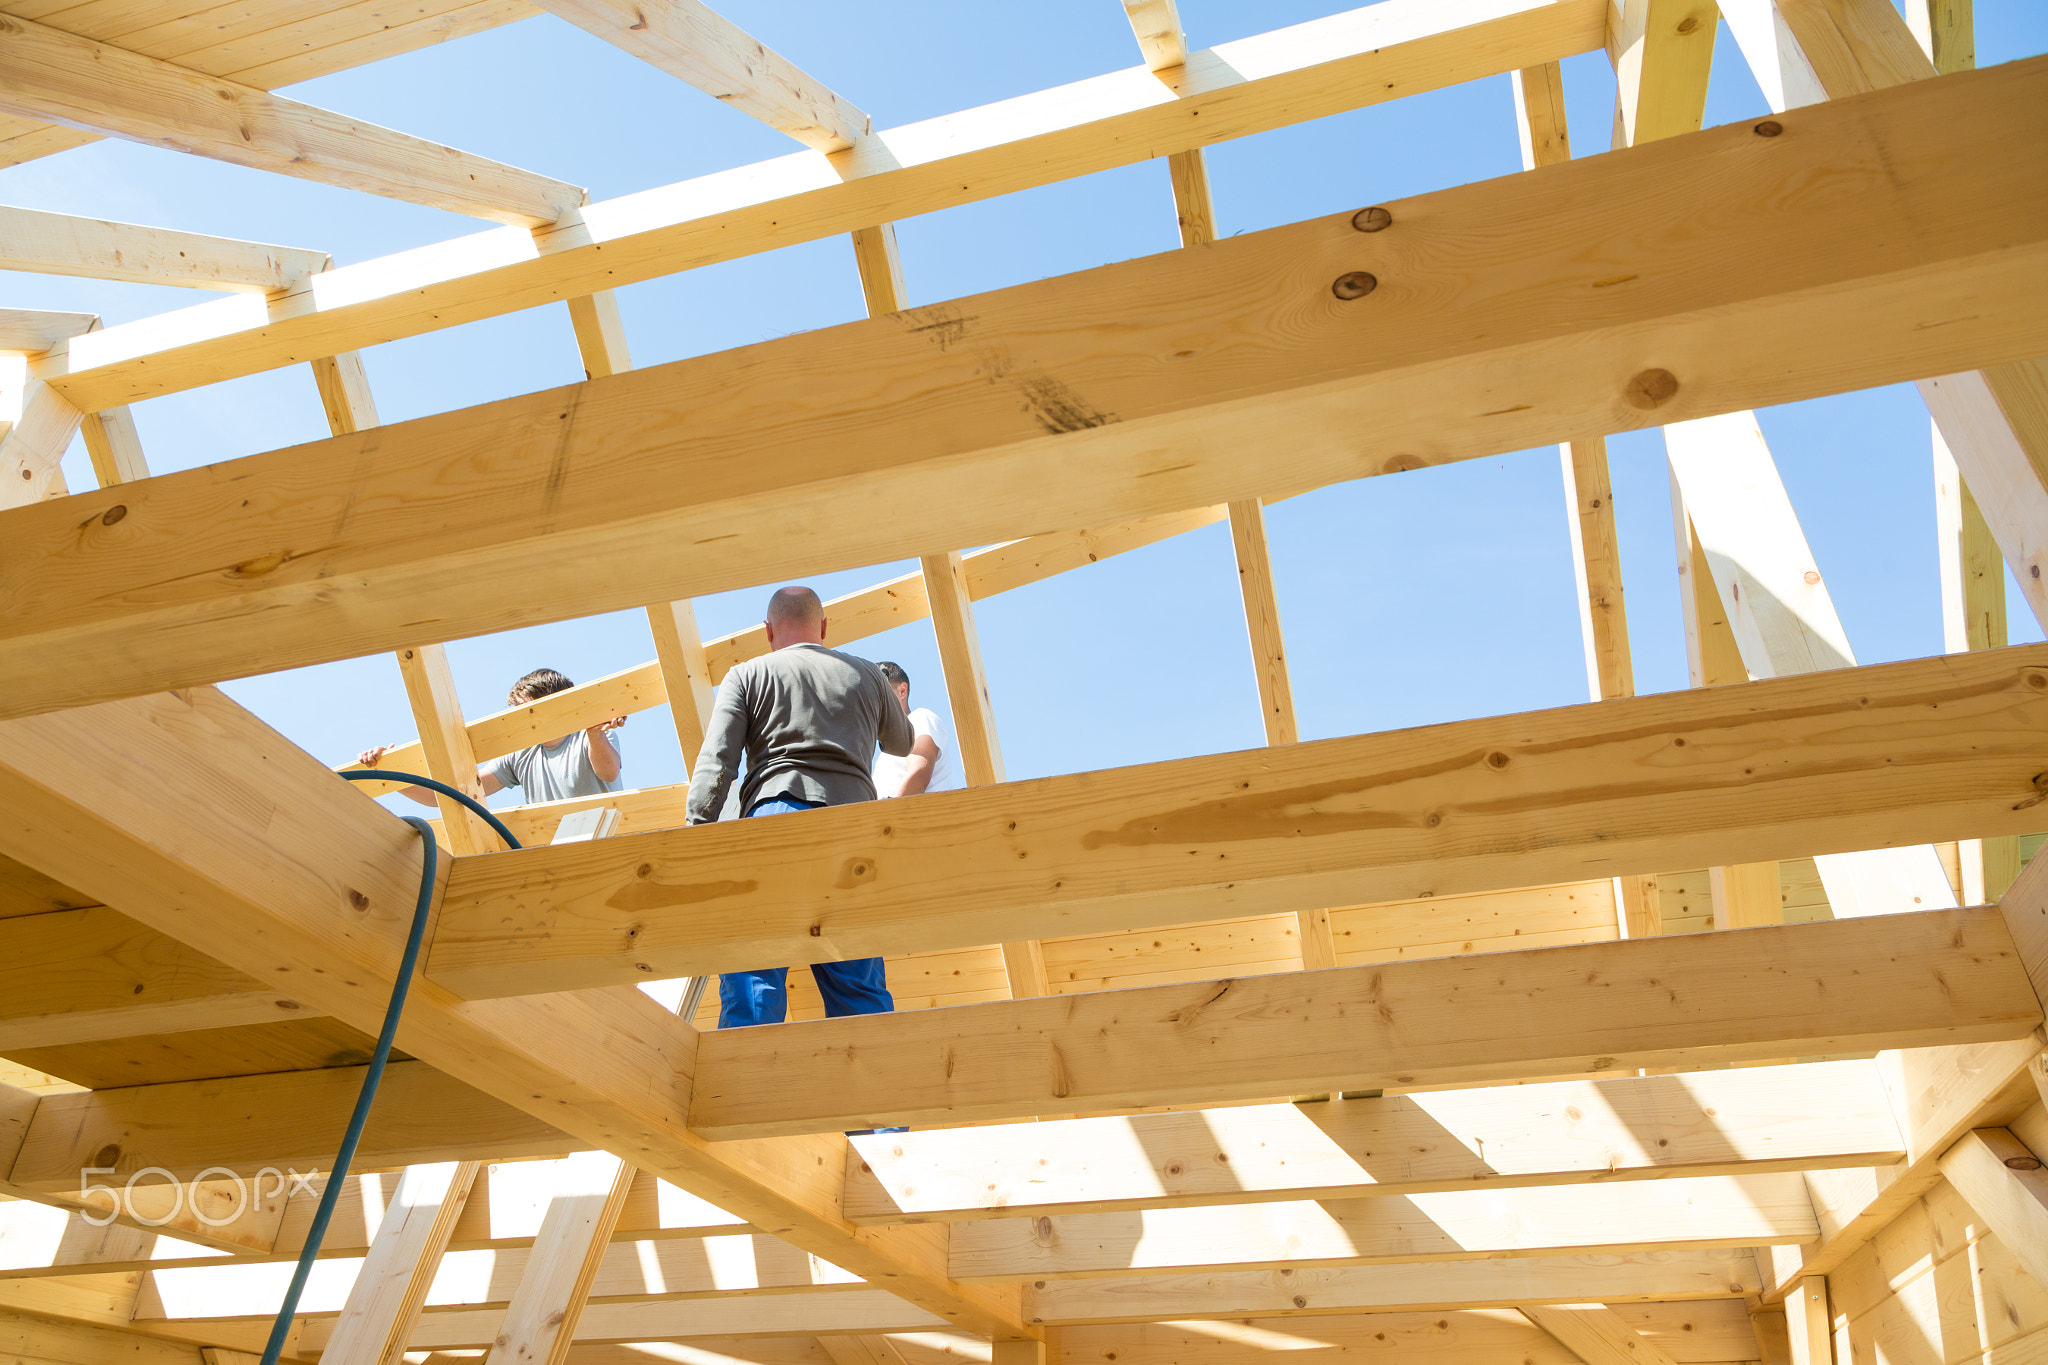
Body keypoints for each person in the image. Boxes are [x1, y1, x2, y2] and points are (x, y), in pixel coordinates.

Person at [686, 586, 914, 1031]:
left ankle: (747, 1091)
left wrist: (696, 832)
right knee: (858, 986)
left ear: (768, 631)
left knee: (754, 979)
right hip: (852, 828)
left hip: (774, 821)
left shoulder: (748, 674)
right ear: (824, 628)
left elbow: (717, 764)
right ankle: (870, 1095)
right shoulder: (866, 673)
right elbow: (902, 742)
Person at [358, 667, 625, 805]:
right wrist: (391, 774)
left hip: (606, 837)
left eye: (527, 710)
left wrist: (594, 734)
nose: (520, 720)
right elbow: (457, 794)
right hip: (556, 846)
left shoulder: (587, 735)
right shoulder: (521, 754)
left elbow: (608, 773)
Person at [872, 661, 962, 798]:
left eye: (880, 693)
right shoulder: (886, 753)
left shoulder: (919, 719)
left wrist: (885, 817)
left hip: (916, 816)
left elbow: (919, 775)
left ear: (902, 690)